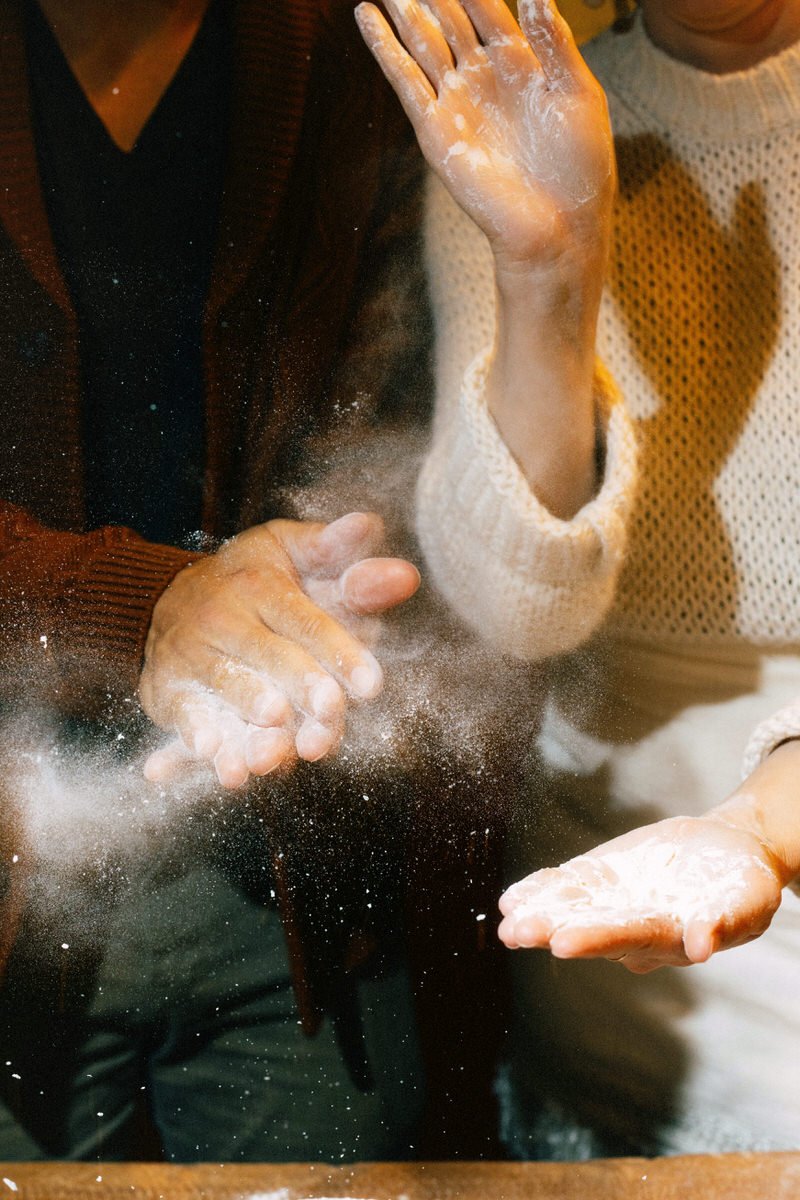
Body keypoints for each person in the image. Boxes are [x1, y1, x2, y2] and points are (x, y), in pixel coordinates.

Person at [358, 0, 800, 1157]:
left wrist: (762, 828)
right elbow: (514, 613)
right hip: (617, 899)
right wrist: (551, 266)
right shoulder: (522, 112)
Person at [0, 0, 433, 1161]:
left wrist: (319, 568)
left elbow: (395, 417)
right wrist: (148, 608)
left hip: (291, 881)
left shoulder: (349, 51)